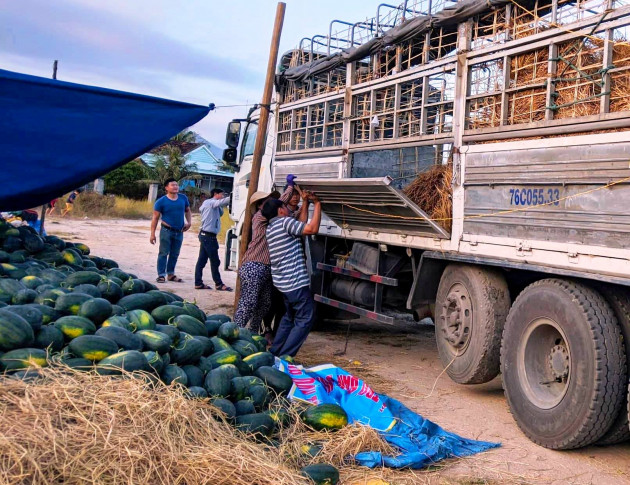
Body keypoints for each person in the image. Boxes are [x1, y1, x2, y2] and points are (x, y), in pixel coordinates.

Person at [234, 174, 298, 334]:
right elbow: (279, 205)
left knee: (264, 303)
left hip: (266, 269)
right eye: (268, 202)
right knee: (248, 303)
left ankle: (252, 332)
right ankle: (234, 332)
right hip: (254, 266)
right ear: (261, 206)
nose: (273, 204)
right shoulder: (259, 218)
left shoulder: (275, 221)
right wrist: (290, 187)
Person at [262, 190, 322, 357]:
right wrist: (317, 204)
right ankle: (286, 356)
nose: (288, 209)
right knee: (305, 318)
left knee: (289, 318)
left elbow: (300, 225)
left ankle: (274, 352)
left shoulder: (272, 227)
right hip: (295, 283)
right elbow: (311, 229)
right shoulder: (284, 223)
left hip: (283, 284)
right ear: (281, 210)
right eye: (285, 207)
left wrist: (306, 203)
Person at [150, 178, 191, 283]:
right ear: (166, 188)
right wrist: (152, 234)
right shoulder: (161, 202)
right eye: (173, 185)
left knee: (175, 254)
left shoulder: (183, 198)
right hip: (166, 231)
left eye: (176, 185)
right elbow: (155, 218)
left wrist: (189, 222)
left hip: (179, 231)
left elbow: (187, 210)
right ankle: (161, 275)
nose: (176, 187)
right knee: (163, 253)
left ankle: (171, 274)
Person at [195, 188, 232, 291]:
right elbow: (222, 202)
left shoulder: (211, 205)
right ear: (216, 194)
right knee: (215, 261)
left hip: (206, 235)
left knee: (202, 260)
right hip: (208, 236)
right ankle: (219, 284)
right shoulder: (210, 202)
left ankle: (198, 283)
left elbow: (220, 212)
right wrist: (235, 195)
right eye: (222, 194)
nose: (223, 196)